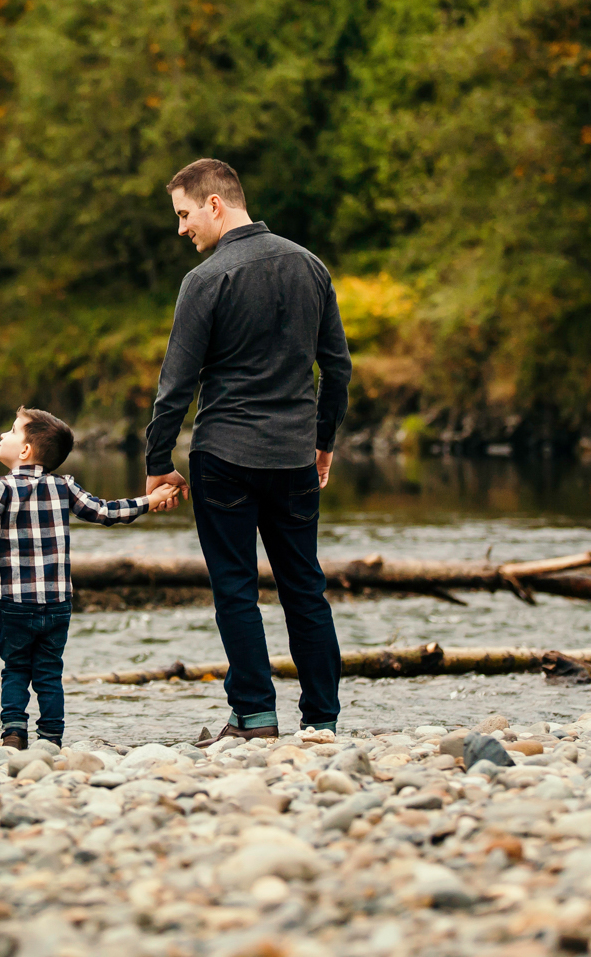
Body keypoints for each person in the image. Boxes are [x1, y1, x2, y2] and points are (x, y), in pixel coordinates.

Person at [143, 158, 352, 745]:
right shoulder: (310, 266)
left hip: (225, 456)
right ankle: (323, 720)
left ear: (215, 204)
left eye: (184, 214)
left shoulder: (206, 281)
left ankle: (255, 716)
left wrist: (159, 460)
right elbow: (336, 367)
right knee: (304, 586)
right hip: (293, 456)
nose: (182, 228)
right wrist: (322, 441)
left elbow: (176, 385)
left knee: (235, 588)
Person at [0, 407, 178, 749]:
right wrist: (149, 501)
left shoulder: (2, 487)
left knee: (15, 668)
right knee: (49, 672)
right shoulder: (65, 487)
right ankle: (51, 738)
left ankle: (14, 734)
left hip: (16, 603)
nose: (3, 435)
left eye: (12, 430)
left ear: (24, 451)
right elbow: (106, 512)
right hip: (57, 604)